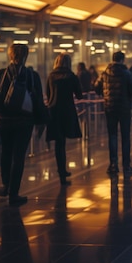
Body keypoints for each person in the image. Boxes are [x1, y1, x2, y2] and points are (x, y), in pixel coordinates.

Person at [0, 44, 44, 206]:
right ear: (25, 56)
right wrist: (41, 122)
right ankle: (14, 193)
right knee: (18, 157)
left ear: (10, 55)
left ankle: (5, 184)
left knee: (6, 152)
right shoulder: (32, 76)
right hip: (24, 122)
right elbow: (38, 100)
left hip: (4, 121)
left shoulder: (1, 74)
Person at [94, 51, 132, 175]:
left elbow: (96, 87)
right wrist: (131, 103)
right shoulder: (126, 74)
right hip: (124, 109)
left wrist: (105, 95)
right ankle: (126, 166)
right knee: (125, 137)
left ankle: (113, 164)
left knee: (112, 136)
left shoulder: (105, 73)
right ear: (122, 60)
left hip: (110, 108)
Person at [46, 53, 83, 185]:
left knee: (58, 143)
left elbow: (48, 94)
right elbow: (79, 95)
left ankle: (61, 171)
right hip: (67, 112)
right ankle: (63, 171)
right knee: (63, 142)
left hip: (54, 112)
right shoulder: (71, 76)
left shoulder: (51, 76)